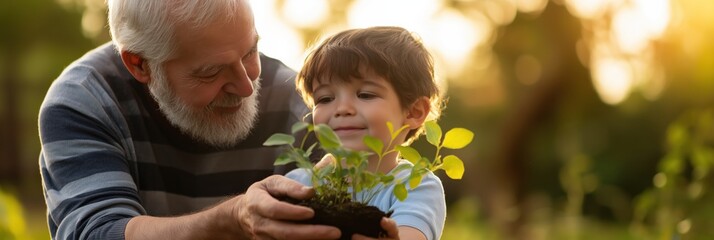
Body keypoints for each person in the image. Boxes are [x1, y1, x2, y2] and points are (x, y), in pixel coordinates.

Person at [38, 0, 397, 239]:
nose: (245, 86)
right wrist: (233, 217)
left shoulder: (295, 97)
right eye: (211, 72)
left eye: (250, 51)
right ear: (140, 64)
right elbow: (99, 232)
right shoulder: (86, 101)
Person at [287, 26, 446, 240]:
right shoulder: (300, 184)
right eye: (325, 99)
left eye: (365, 94)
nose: (342, 108)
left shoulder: (417, 186)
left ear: (413, 112)